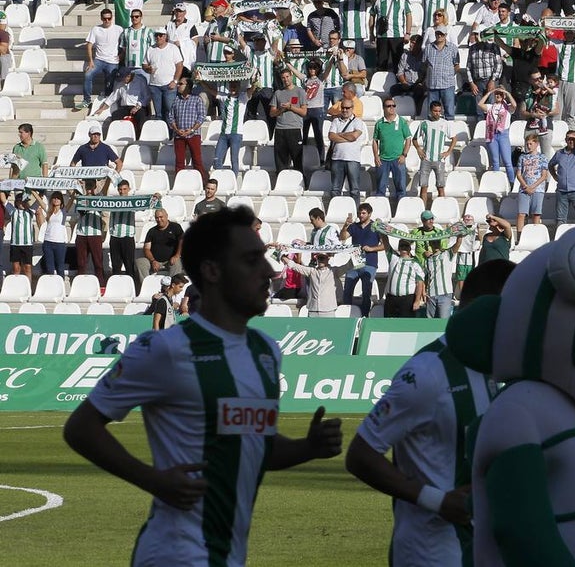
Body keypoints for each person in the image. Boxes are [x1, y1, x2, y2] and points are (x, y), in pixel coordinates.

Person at [64, 207, 344, 567]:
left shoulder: (265, 352)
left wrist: (308, 447)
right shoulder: (164, 349)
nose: (269, 272)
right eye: (251, 261)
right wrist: (154, 480)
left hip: (228, 554)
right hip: (175, 554)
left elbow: (254, 446)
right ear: (212, 271)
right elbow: (81, 427)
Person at [344, 258, 514, 566]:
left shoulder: (494, 367)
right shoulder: (426, 373)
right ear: (481, 307)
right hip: (428, 554)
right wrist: (437, 500)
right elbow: (359, 455)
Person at [414, 100, 456, 208]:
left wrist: (448, 152)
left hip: (439, 159)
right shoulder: (424, 123)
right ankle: (423, 210)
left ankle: (442, 209)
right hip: (426, 159)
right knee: (424, 186)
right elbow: (414, 139)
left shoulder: (445, 123)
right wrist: (418, 149)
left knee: (440, 186)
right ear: (431, 111)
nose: (437, 113)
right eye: (435, 111)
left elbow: (454, 138)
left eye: (439, 111)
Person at [549, 130, 575, 226]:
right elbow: (550, 165)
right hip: (562, 190)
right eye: (569, 139)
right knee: (560, 219)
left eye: (573, 139)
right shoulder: (559, 153)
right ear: (566, 140)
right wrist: (555, 177)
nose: (571, 141)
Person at [384, 237, 427, 318]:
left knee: (406, 325)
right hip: (391, 298)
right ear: (399, 248)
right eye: (402, 245)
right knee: (388, 324)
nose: (404, 247)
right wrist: (381, 229)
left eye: (406, 246)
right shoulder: (393, 258)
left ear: (409, 248)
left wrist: (417, 301)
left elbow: (419, 283)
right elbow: (385, 242)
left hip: (407, 299)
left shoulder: (415, 264)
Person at [516, 132, 549, 233]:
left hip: (538, 189)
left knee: (536, 214)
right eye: (527, 144)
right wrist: (526, 186)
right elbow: (519, 174)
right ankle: (520, 236)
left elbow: (544, 175)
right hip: (524, 189)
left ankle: (536, 234)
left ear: (536, 144)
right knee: (522, 213)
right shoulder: (522, 157)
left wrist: (533, 187)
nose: (528, 146)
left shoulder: (542, 157)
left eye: (531, 144)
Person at [136, 208, 184, 280]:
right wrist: (153, 261)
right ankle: (146, 286)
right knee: (140, 262)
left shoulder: (175, 227)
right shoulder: (152, 231)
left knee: (176, 263)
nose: (159, 219)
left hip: (170, 261)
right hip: (154, 261)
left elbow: (182, 241)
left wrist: (177, 255)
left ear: (166, 216)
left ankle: (172, 287)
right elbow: (146, 248)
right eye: (157, 218)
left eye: (161, 217)